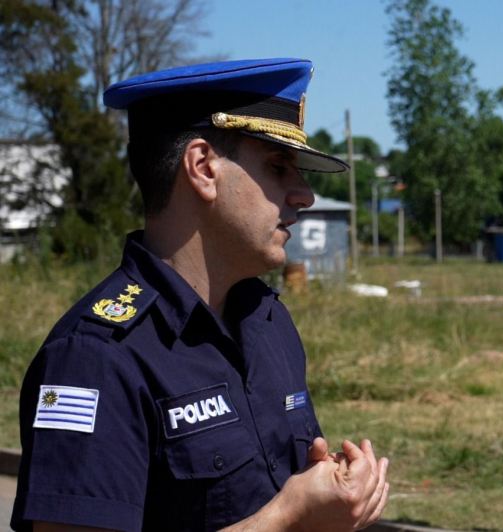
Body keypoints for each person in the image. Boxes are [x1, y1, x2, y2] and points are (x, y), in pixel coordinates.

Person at [12, 59, 389, 531]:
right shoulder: (95, 358)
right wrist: (286, 518)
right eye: (278, 167)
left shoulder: (267, 322)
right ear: (203, 167)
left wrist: (328, 501)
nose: (303, 194)